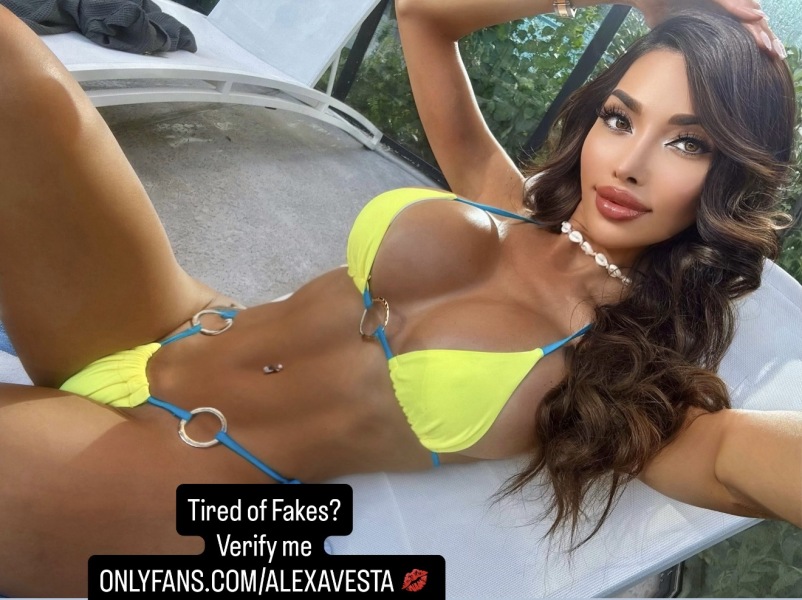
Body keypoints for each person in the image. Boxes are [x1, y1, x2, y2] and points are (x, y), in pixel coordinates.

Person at [0, 0, 799, 595]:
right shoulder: (508, 198)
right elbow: (423, 15)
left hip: (188, 481)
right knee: (16, 69)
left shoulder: (622, 378)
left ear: (730, 179)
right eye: (621, 119)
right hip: (170, 321)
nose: (629, 163)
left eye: (687, 142)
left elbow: (740, 460)